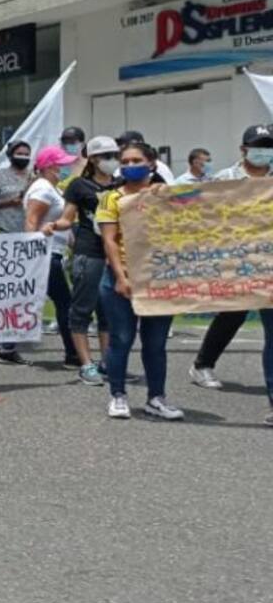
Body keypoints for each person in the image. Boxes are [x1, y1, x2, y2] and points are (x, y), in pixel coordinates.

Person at [187, 125, 273, 425]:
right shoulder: (224, 179)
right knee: (233, 314)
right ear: (244, 149)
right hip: (236, 261)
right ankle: (202, 364)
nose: (264, 150)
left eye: (269, 145)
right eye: (258, 145)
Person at [97, 141, 184, 420]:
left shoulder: (165, 197)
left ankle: (156, 397)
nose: (130, 166)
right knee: (121, 339)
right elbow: (109, 241)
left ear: (152, 164)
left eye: (136, 161)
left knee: (156, 343)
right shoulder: (111, 199)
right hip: (120, 280)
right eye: (126, 161)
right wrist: (121, 277)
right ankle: (118, 395)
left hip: (157, 279)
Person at [28, 145, 102, 380]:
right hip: (46, 253)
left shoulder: (51, 188)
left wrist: (73, 244)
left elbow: (65, 223)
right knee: (65, 302)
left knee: (56, 301)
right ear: (50, 166)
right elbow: (31, 222)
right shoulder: (41, 189)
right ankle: (72, 353)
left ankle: (7, 346)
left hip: (56, 251)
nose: (65, 168)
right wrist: (35, 253)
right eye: (61, 164)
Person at [50, 135, 117, 378]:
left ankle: (108, 362)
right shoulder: (79, 186)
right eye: (107, 156)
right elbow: (68, 218)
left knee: (108, 311)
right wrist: (53, 226)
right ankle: (86, 363)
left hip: (115, 255)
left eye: (115, 155)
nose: (112, 161)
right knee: (82, 309)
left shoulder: (119, 185)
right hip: (88, 252)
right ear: (94, 159)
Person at [0, 141, 32, 236]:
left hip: (29, 231)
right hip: (4, 230)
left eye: (26, 154)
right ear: (10, 156)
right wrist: (8, 202)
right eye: (19, 154)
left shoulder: (34, 176)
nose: (23, 157)